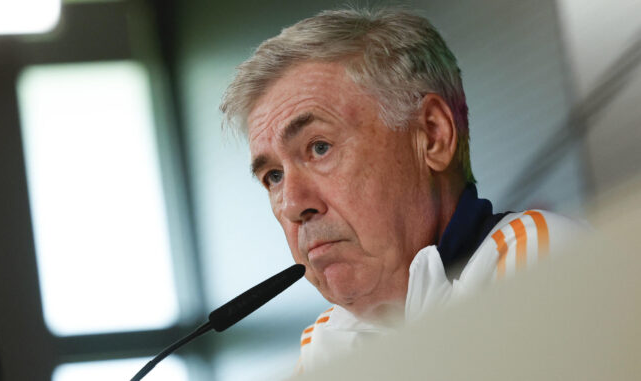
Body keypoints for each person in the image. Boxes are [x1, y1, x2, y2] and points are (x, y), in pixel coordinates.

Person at [220, 7, 583, 374]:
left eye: (319, 147)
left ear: (432, 135)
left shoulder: (541, 261)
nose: (294, 205)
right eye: (274, 177)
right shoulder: (321, 349)